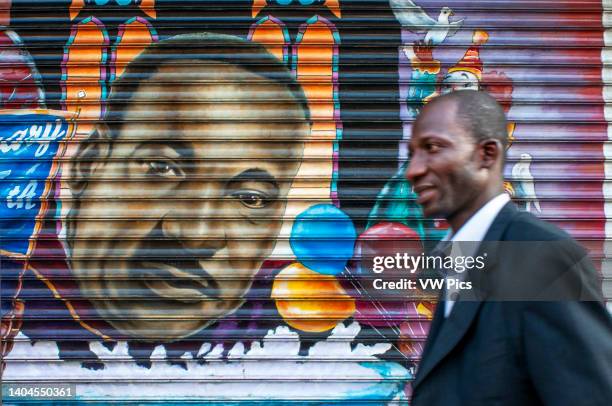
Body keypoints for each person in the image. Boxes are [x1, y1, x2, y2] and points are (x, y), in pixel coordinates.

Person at [406, 89, 612, 405]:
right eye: (412, 154)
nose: (414, 170)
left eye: (432, 148)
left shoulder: (539, 257)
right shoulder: (459, 258)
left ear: (487, 154)